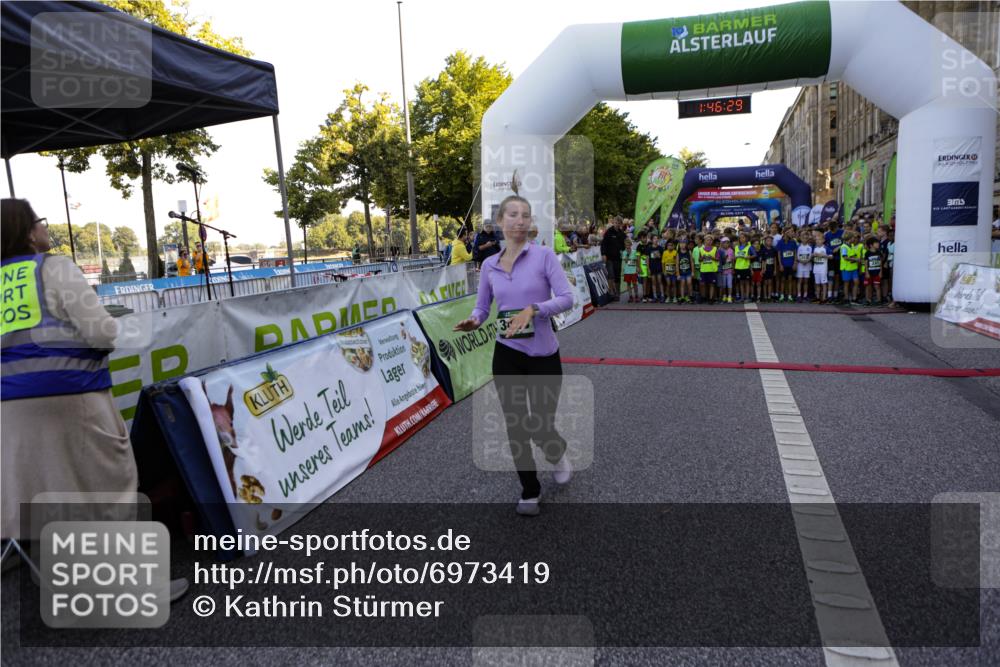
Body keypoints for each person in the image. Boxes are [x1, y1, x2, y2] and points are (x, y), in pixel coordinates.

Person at [0, 199, 189, 599]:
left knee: (39, 487)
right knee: (108, 487)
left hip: (8, 409)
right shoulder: (53, 268)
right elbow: (101, 333)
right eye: (39, 221)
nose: (44, 227)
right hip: (71, 397)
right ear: (28, 232)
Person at [453, 195, 573, 517]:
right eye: (513, 214)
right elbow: (482, 307)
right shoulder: (489, 265)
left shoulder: (544, 256)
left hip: (543, 354)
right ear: (500, 222)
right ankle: (530, 490)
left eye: (525, 215)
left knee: (541, 425)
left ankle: (556, 450)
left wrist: (534, 309)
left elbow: (567, 298)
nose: (520, 220)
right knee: (516, 426)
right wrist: (474, 320)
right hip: (507, 354)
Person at [601, 216, 625, 301]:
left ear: (621, 224)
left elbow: (625, 244)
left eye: (619, 223)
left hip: (618, 258)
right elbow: (603, 244)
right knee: (611, 275)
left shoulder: (622, 233)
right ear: (613, 223)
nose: (617, 224)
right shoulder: (609, 232)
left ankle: (617, 293)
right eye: (615, 223)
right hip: (609, 258)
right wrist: (603, 254)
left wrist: (625, 250)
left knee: (617, 276)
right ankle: (610, 293)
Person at [839, 231, 862, 304]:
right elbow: (845, 257)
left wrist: (857, 259)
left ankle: (854, 298)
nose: (854, 239)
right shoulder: (844, 247)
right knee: (846, 283)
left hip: (853, 268)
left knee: (856, 282)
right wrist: (856, 259)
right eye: (853, 237)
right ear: (850, 238)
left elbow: (853, 255)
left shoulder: (851, 245)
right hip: (846, 268)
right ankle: (846, 298)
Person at [776, 229, 798, 302]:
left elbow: (795, 253)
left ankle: (789, 296)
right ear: (785, 233)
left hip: (791, 264)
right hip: (783, 265)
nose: (791, 233)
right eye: (789, 232)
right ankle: (782, 296)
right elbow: (779, 254)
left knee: (790, 280)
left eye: (791, 232)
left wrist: (795, 263)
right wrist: (780, 265)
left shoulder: (793, 242)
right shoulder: (780, 242)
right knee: (783, 280)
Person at [698, 235, 719, 304]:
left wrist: (712, 258)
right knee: (702, 284)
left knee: (712, 284)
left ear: (712, 241)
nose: (709, 241)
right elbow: (699, 259)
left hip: (712, 270)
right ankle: (703, 297)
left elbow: (717, 259)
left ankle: (711, 298)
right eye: (707, 240)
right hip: (704, 270)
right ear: (704, 241)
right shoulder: (701, 249)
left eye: (710, 240)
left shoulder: (715, 249)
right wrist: (702, 258)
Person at [862, 236, 882, 306]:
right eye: (876, 243)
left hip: (877, 272)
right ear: (871, 245)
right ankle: (868, 300)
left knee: (877, 286)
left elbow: (881, 263)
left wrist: (881, 272)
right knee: (868, 286)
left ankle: (879, 300)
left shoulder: (879, 252)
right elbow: (866, 263)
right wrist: (866, 272)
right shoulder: (867, 253)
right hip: (869, 272)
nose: (878, 244)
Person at [734, 232, 753, 303]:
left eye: (743, 237)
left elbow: (754, 255)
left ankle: (747, 297)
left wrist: (748, 257)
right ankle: (742, 297)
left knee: (747, 283)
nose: (742, 239)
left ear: (746, 238)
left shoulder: (749, 246)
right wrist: (735, 257)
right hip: (738, 267)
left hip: (746, 267)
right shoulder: (736, 247)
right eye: (740, 238)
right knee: (741, 283)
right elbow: (735, 257)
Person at [811, 231, 830, 304]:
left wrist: (823, 255)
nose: (817, 241)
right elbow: (812, 257)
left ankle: (824, 298)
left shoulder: (825, 248)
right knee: (817, 283)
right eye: (816, 240)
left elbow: (831, 256)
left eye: (819, 239)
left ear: (823, 240)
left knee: (824, 283)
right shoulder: (814, 248)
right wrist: (812, 255)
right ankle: (818, 297)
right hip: (816, 269)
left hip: (823, 269)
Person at [795, 231, 813, 303]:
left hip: (807, 266)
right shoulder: (798, 246)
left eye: (806, 237)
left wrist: (807, 260)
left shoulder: (810, 247)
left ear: (808, 238)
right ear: (800, 238)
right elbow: (796, 256)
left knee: (806, 281)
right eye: (803, 237)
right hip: (800, 266)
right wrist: (801, 261)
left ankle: (805, 296)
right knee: (800, 281)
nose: (805, 238)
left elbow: (811, 256)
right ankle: (799, 295)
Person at [622, 237, 640, 303]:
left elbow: (637, 260)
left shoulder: (634, 252)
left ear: (631, 245)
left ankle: (636, 295)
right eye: (626, 245)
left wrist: (638, 267)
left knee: (635, 283)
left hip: (633, 270)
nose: (628, 246)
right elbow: (626, 261)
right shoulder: (624, 252)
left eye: (629, 245)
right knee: (628, 284)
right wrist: (628, 254)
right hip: (627, 271)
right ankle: (630, 296)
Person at [718, 237, 735, 304]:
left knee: (729, 284)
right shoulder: (720, 250)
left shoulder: (731, 250)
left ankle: (729, 296)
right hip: (722, 270)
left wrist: (733, 269)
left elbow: (733, 260)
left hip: (729, 270)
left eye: (727, 243)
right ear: (722, 244)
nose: (726, 244)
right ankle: (724, 295)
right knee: (724, 284)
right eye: (724, 243)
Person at [662, 237, 678, 303]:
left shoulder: (675, 252)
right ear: (667, 246)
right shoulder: (665, 252)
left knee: (674, 284)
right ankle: (668, 297)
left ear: (674, 246)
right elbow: (663, 263)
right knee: (668, 284)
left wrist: (676, 271)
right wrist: (664, 271)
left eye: (671, 245)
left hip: (674, 272)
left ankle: (674, 297)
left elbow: (677, 263)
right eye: (668, 245)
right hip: (667, 272)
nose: (670, 247)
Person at [676, 238, 692, 303]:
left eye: (684, 243)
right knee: (682, 284)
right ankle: (682, 297)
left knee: (689, 283)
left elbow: (691, 262)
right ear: (679, 245)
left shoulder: (689, 252)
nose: (682, 245)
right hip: (681, 272)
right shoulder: (678, 253)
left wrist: (693, 271)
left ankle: (688, 296)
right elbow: (677, 264)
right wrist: (678, 274)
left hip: (688, 271)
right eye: (681, 243)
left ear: (686, 244)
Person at [749, 237, 764, 302]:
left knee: (758, 284)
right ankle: (752, 296)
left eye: (758, 244)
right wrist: (751, 270)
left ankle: (759, 296)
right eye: (755, 244)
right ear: (752, 245)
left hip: (759, 270)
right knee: (752, 284)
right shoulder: (751, 252)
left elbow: (763, 261)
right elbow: (749, 262)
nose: (756, 245)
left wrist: (762, 270)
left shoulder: (761, 252)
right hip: (753, 270)